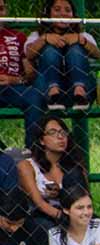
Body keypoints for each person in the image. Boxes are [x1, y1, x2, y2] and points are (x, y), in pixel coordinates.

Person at [16, 114, 88, 234]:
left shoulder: (75, 166)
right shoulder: (27, 166)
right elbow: (39, 203)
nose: (60, 137)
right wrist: (65, 218)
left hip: (75, 215)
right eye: (52, 132)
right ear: (41, 140)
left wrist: (61, 194)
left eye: (63, 132)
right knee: (51, 230)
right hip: (41, 216)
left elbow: (86, 198)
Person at [25, 0, 100, 113]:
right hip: (46, 91)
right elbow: (29, 54)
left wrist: (81, 41)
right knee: (50, 49)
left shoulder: (83, 36)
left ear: (73, 16)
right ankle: (53, 90)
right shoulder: (37, 36)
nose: (63, 14)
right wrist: (44, 39)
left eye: (68, 10)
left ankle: (79, 89)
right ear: (48, 14)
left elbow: (97, 55)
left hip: (80, 94)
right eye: (57, 9)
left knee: (76, 48)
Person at [0, 0, 44, 148]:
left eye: (1, 8)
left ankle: (33, 152)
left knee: (34, 96)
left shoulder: (17, 37)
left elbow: (30, 74)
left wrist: (15, 80)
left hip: (12, 87)